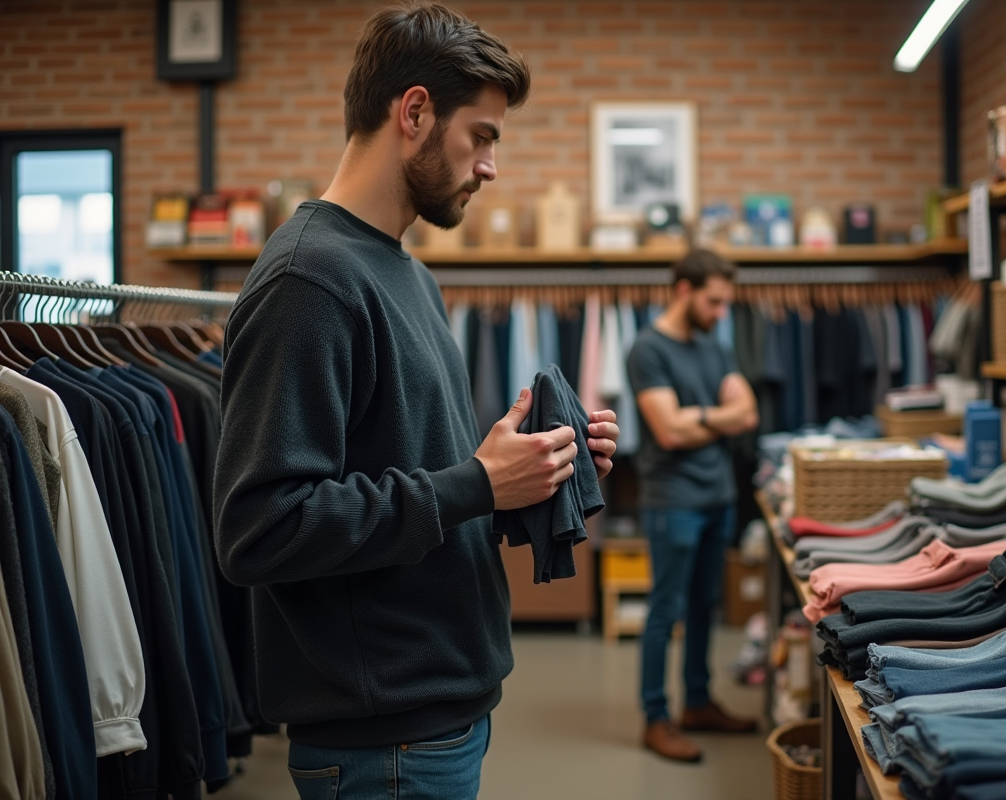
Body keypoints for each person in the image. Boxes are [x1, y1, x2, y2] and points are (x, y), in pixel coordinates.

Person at [212, 5, 619, 799]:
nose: (491, 165)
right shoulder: (309, 282)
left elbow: (418, 484)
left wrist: (530, 476)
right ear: (415, 112)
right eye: (484, 136)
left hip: (435, 715)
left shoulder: (406, 272)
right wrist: (475, 483)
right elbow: (260, 529)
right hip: (383, 743)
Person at [627, 249, 761, 763]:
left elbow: (747, 412)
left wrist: (698, 417)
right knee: (666, 610)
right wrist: (715, 415)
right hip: (673, 501)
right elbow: (667, 430)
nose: (721, 312)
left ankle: (699, 702)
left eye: (726, 302)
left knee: (706, 606)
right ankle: (655, 718)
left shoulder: (716, 345)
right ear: (684, 290)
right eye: (714, 301)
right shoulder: (648, 349)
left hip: (718, 497)